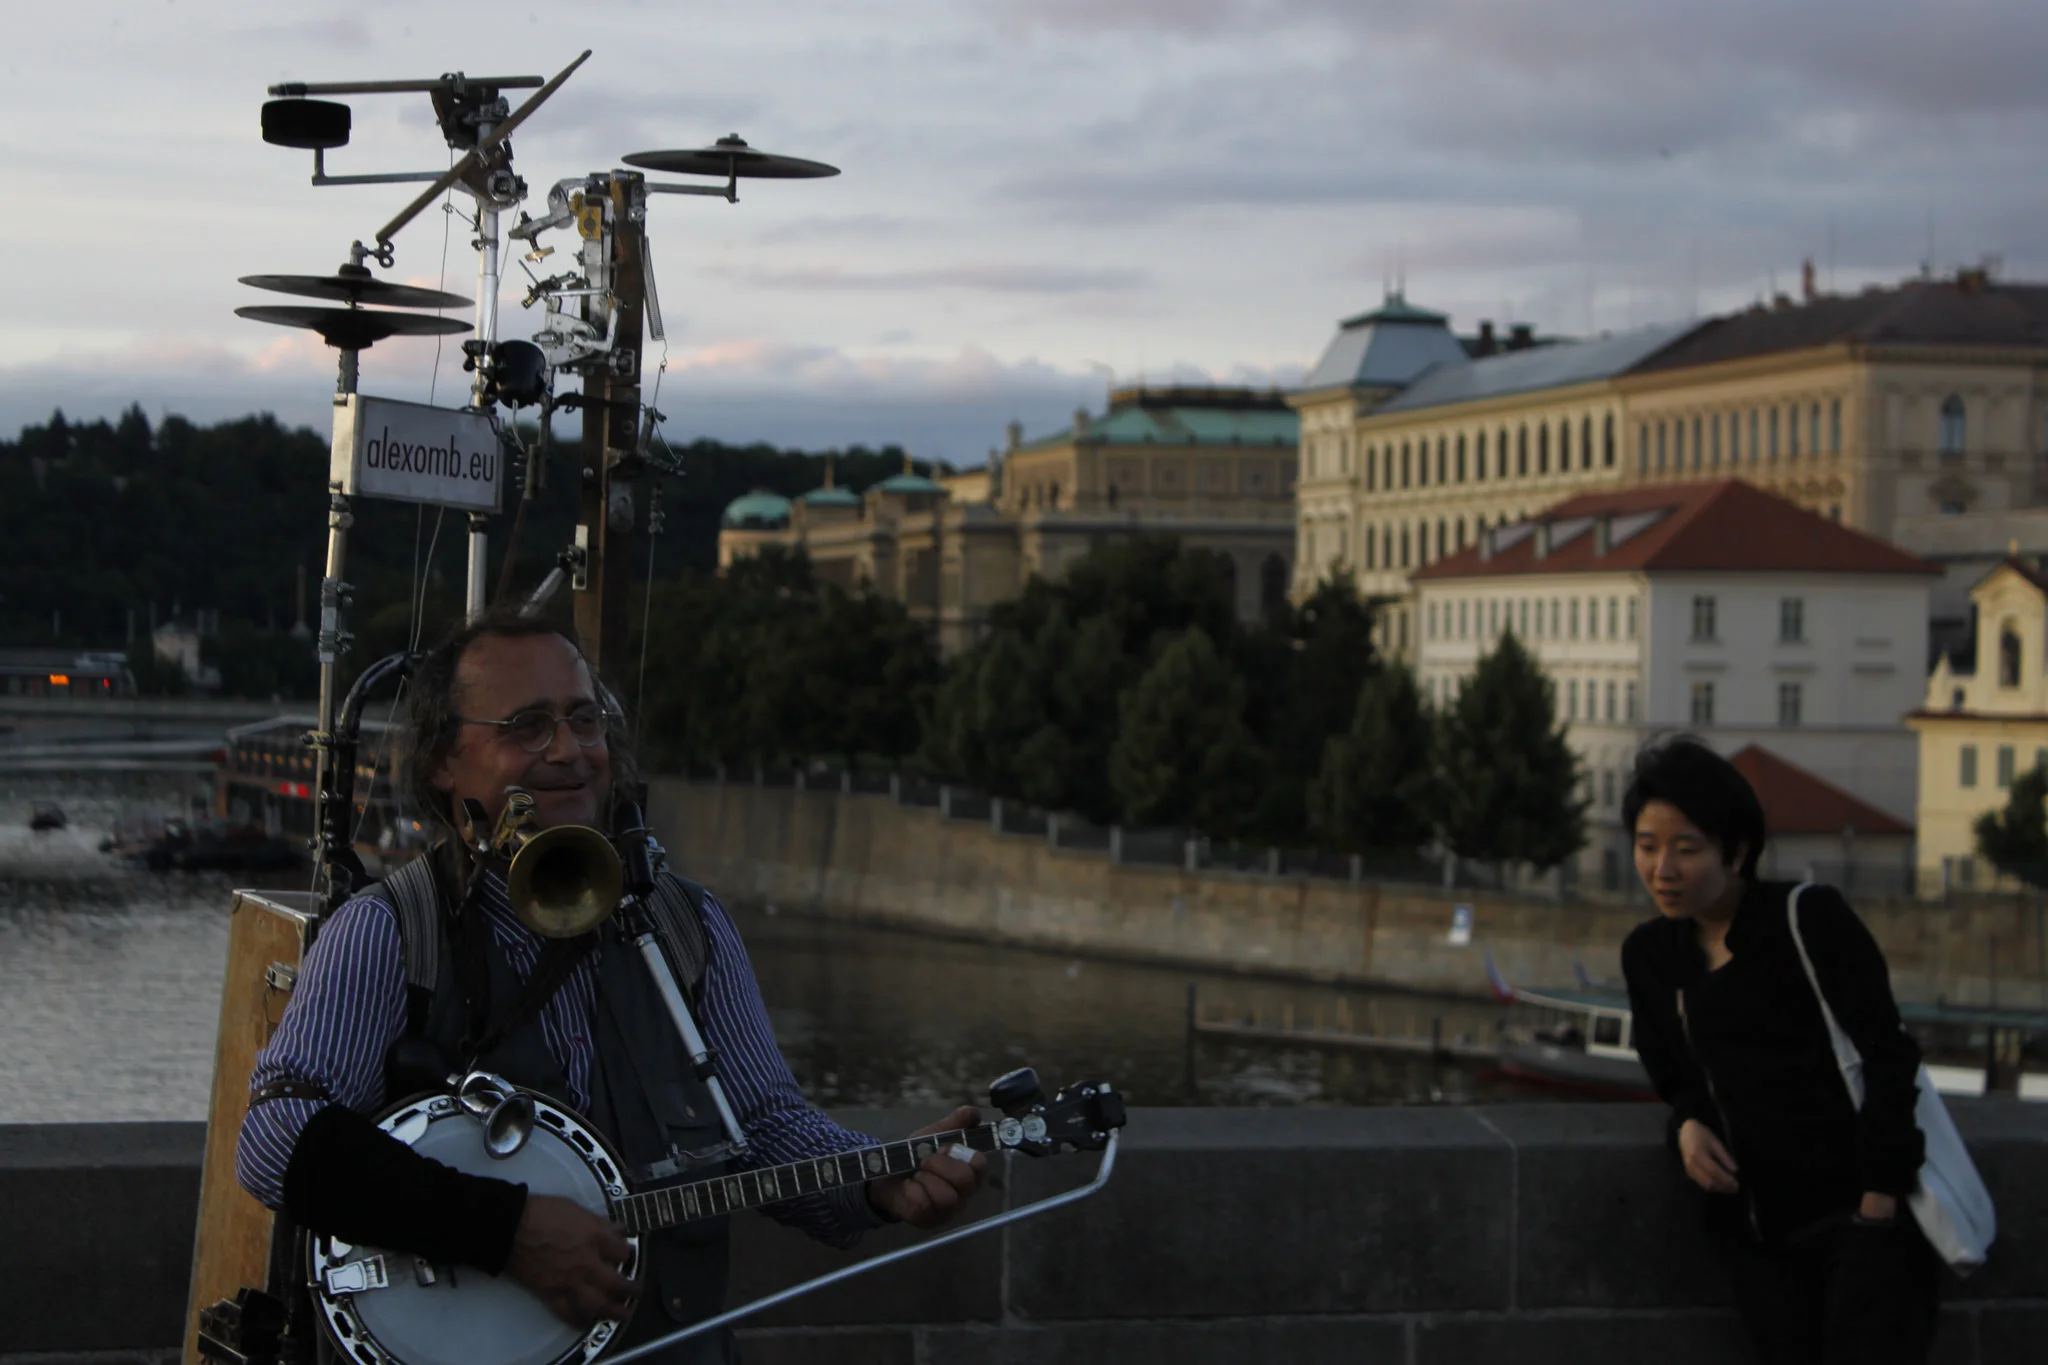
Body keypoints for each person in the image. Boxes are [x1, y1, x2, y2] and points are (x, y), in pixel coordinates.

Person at [236, 611, 985, 1362]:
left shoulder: (685, 924)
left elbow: (760, 1123)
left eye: (582, 719)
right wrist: (504, 1229)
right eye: (526, 726)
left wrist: (874, 1177)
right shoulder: (388, 931)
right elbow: (274, 1140)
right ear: (443, 761)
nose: (567, 750)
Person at [1620, 737, 1938, 1365]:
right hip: (1754, 1239)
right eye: (1647, 846)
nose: (1663, 870)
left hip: (1858, 1225)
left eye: (1687, 850)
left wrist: (1877, 1206)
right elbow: (1671, 1070)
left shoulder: (1808, 919)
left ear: (1737, 850)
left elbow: (1889, 1056)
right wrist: (1685, 1124)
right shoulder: (1650, 955)